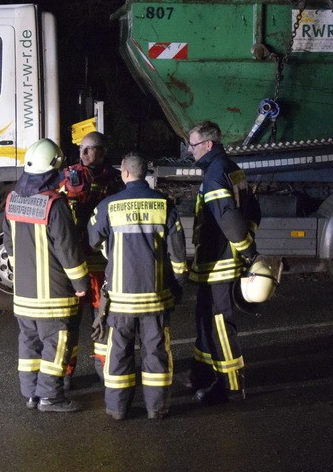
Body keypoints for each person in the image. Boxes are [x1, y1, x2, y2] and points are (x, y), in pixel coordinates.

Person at [88, 152, 187, 420]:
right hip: (156, 297)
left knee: (118, 353)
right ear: (145, 173)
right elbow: (178, 254)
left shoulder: (108, 206)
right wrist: (178, 285)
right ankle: (156, 408)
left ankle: (117, 409)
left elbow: (93, 240)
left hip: (120, 300)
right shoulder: (165, 205)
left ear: (124, 172)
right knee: (155, 353)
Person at [3, 138, 90, 412]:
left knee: (29, 343)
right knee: (56, 343)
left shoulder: (12, 200)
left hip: (24, 295)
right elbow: (68, 249)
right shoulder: (55, 205)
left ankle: (31, 394)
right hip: (53, 296)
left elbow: (9, 245)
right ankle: (51, 397)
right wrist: (81, 284)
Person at [185, 120, 261, 404]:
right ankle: (202, 374)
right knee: (204, 318)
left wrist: (245, 252)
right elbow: (253, 210)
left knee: (218, 322)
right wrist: (247, 246)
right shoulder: (231, 168)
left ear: (208, 144)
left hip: (220, 263)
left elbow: (229, 221)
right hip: (216, 262)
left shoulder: (215, 174)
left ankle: (230, 385)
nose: (190, 151)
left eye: (193, 145)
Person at [58, 130, 123, 386]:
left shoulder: (115, 181)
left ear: (103, 152)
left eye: (90, 148)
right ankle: (65, 373)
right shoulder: (68, 177)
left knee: (104, 319)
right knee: (69, 323)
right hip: (74, 264)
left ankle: (104, 369)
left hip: (102, 264)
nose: (83, 154)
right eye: (81, 148)